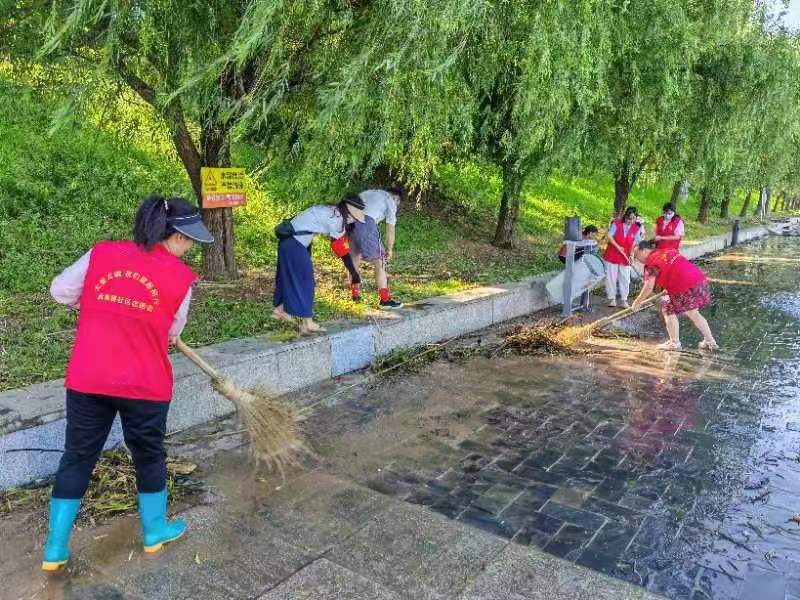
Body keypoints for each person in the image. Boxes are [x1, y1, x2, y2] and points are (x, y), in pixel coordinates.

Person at [42, 195, 215, 571]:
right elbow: (172, 332)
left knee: (77, 456)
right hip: (145, 383)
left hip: (90, 377)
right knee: (149, 455)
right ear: (174, 237)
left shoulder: (100, 254)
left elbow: (60, 291)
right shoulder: (181, 280)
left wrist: (100, 304)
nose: (188, 250)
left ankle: (55, 548)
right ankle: (154, 532)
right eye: (188, 241)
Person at [272, 196, 366, 334]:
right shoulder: (337, 218)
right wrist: (354, 273)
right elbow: (340, 248)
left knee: (287, 276)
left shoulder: (331, 211)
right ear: (348, 211)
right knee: (306, 281)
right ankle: (307, 323)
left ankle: (280, 311)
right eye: (354, 217)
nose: (353, 220)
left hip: (289, 242)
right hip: (294, 243)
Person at [632, 240, 718, 351]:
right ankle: (710, 341)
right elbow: (674, 267)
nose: (636, 259)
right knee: (693, 313)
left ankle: (674, 343)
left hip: (683, 287)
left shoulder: (651, 264)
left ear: (643, 251)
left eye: (636, 255)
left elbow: (648, 287)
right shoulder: (666, 251)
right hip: (699, 280)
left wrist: (637, 302)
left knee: (668, 310)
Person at [347, 187, 404, 309]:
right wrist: (389, 249)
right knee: (380, 261)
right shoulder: (390, 200)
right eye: (397, 203)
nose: (397, 206)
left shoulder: (368, 192)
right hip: (366, 222)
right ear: (395, 197)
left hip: (349, 222)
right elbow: (390, 229)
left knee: (354, 261)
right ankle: (384, 300)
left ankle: (355, 295)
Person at [603, 206, 643, 308]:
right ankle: (612, 299)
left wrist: (632, 254)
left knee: (625, 278)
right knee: (611, 277)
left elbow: (636, 243)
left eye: (633, 219)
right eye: (629, 218)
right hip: (612, 254)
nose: (631, 221)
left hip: (626, 256)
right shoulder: (617, 224)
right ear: (625, 217)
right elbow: (609, 236)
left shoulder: (636, 228)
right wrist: (618, 247)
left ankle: (624, 300)